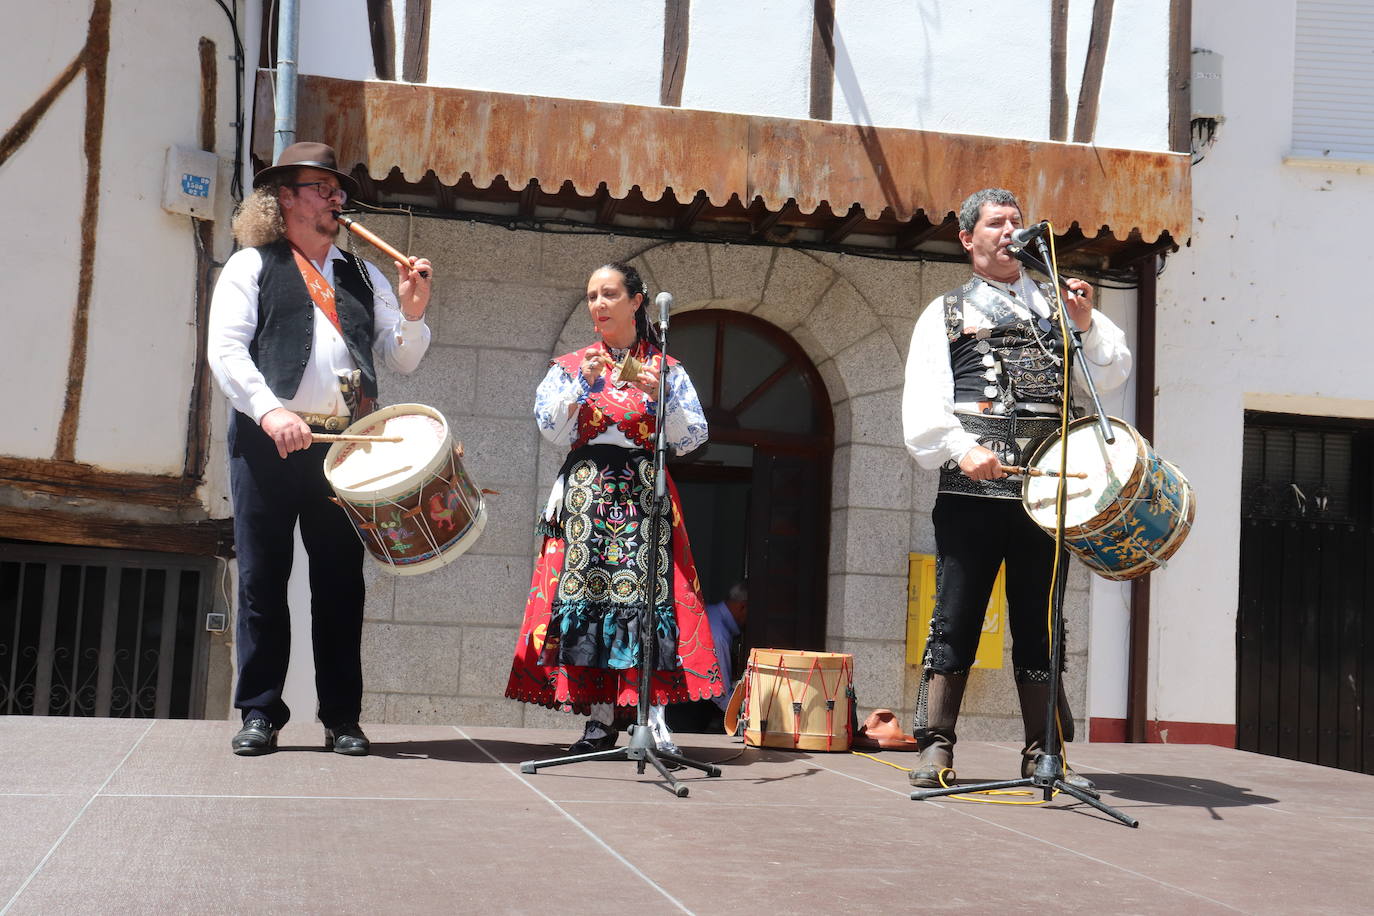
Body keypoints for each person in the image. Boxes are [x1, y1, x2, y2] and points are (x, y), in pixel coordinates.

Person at [900, 188, 1132, 789]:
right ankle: (935, 745)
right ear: (968, 238)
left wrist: (1083, 325)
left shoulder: (1061, 305)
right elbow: (924, 401)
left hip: (1047, 493)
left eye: (1016, 222)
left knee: (1042, 621)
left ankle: (1043, 752)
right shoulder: (945, 311)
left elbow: (1110, 374)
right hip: (971, 494)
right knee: (955, 617)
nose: (1009, 231)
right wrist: (959, 447)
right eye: (996, 222)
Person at [207, 142, 434, 756]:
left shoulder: (364, 274)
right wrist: (272, 410)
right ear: (285, 197)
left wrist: (412, 313)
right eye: (321, 187)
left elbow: (403, 356)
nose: (336, 197)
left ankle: (341, 717)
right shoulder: (250, 265)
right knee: (261, 579)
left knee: (341, 584)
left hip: (345, 449)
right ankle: (260, 712)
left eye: (337, 188)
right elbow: (226, 352)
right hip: (267, 443)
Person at [505, 262, 722, 754]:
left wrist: (658, 395)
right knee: (591, 599)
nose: (598, 305)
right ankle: (599, 721)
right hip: (587, 496)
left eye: (608, 294)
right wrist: (582, 383)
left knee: (649, 601)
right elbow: (551, 431)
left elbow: (692, 440)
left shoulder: (666, 367)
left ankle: (653, 720)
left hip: (645, 493)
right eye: (591, 296)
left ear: (636, 301)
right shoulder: (571, 366)